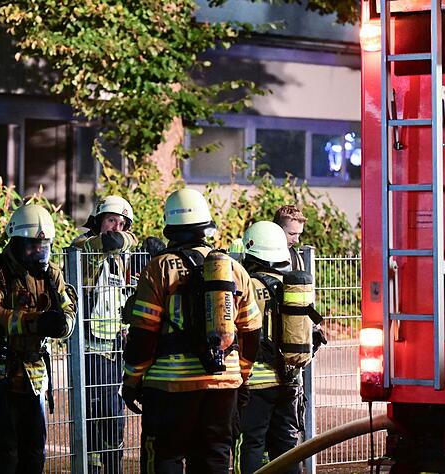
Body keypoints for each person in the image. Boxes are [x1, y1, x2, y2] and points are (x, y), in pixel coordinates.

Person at [121, 188, 262, 474]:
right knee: (215, 457)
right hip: (224, 383)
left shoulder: (158, 268)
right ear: (206, 226)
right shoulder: (232, 268)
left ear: (170, 226)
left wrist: (132, 380)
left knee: (166, 456)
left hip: (170, 386)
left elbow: (143, 334)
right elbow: (252, 331)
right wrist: (242, 378)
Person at [0, 203, 76, 474]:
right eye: (32, 246)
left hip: (33, 381)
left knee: (34, 455)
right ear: (14, 242)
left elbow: (69, 310)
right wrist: (36, 321)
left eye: (44, 246)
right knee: (2, 456)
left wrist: (62, 325)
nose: (39, 253)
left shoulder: (51, 274)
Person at [72, 195, 139, 474]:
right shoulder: (83, 247)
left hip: (113, 347)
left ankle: (111, 462)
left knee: (113, 411)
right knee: (96, 409)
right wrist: (123, 240)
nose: (116, 228)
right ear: (99, 220)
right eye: (112, 220)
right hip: (89, 348)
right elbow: (96, 245)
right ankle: (97, 464)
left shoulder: (118, 256)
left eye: (122, 223)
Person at [234, 221, 306, 474]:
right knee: (287, 445)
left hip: (256, 383)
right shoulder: (291, 284)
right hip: (290, 379)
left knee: (251, 442)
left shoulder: (247, 285)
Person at [273, 205, 307, 271]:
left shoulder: (296, 259)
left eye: (299, 234)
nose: (296, 241)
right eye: (291, 234)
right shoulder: (256, 256)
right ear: (277, 229)